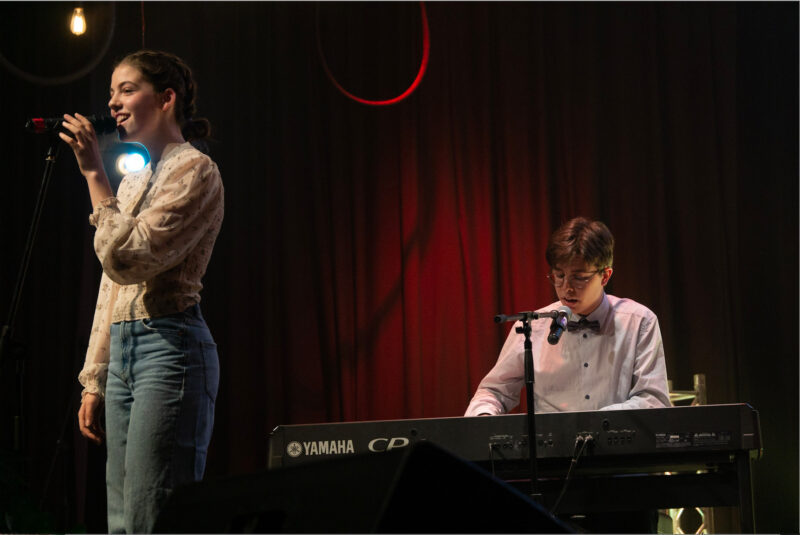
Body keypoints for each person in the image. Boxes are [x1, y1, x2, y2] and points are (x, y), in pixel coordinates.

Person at [59, 50, 224, 534]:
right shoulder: (132, 182)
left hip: (169, 346)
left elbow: (129, 259)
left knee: (153, 514)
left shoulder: (195, 171)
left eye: (127, 89)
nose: (112, 103)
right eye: (111, 92)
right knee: (120, 521)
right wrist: (96, 378)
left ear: (166, 98)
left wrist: (93, 174)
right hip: (125, 351)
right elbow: (110, 288)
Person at [465, 217, 670, 533]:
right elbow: (493, 390)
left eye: (579, 277)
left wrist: (593, 426)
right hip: (549, 477)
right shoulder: (532, 327)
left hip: (621, 474)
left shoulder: (639, 321)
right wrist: (483, 425)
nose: (566, 287)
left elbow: (654, 401)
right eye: (558, 276)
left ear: (606, 275)